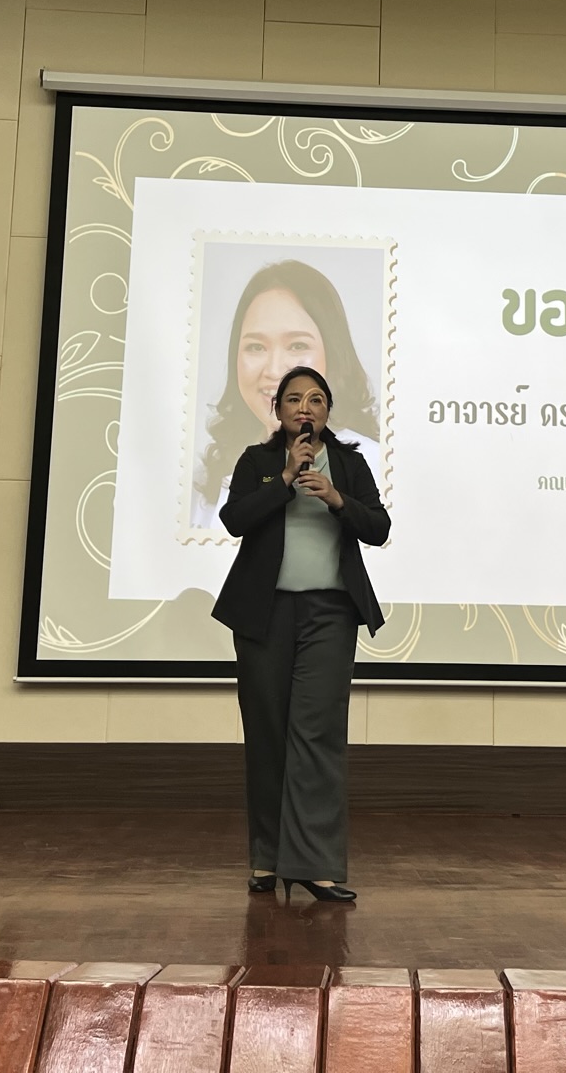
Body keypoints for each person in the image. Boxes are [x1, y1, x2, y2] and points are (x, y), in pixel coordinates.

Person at [213, 365, 390, 905]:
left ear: (328, 410)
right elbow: (235, 519)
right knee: (267, 732)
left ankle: (315, 865)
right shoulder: (258, 462)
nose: (304, 408)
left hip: (330, 614)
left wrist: (337, 499)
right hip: (263, 614)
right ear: (279, 410)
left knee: (317, 734)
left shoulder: (351, 464)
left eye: (315, 399)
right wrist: (286, 477)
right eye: (293, 399)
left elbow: (378, 528)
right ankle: (267, 858)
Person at [192, 259, 385, 529]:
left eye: (297, 346)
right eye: (256, 347)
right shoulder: (209, 479)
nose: (274, 371)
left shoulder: (374, 464)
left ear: (332, 355)